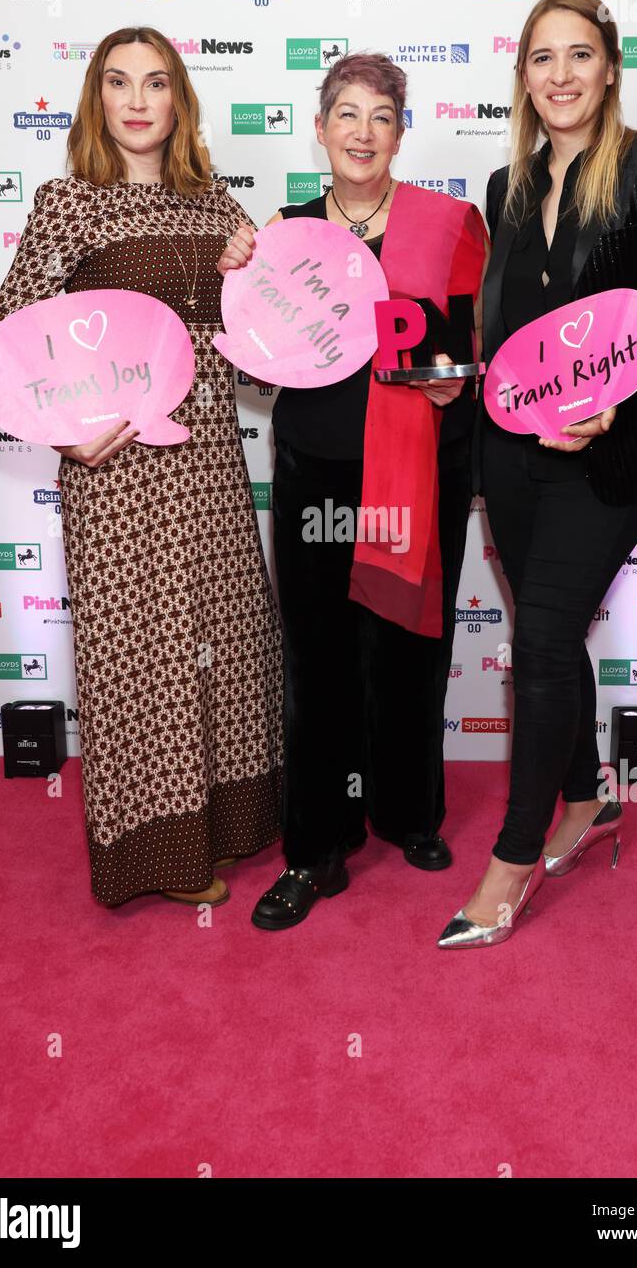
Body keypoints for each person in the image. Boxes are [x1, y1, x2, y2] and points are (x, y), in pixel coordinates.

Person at [437, 0, 637, 949]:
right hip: (512, 454)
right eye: (539, 58)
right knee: (545, 632)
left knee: (545, 640)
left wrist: (626, 389)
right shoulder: (504, 186)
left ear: (608, 66)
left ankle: (511, 862)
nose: (559, 75)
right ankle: (584, 798)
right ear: (522, 76)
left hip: (611, 455)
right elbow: (512, 334)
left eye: (577, 55)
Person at [0, 26, 283, 908]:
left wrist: (247, 276)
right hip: (118, 479)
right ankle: (162, 859)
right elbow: (2, 343)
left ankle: (232, 828)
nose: (139, 100)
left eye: (157, 83)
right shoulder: (69, 203)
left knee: (225, 649)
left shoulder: (221, 206)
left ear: (180, 100)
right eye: (120, 83)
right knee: (139, 661)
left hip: (213, 468)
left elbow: (266, 363)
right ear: (96, 99)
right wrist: (61, 437)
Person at [218, 52, 489, 930]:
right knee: (319, 657)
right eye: (346, 113)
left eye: (380, 116)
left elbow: (471, 348)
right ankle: (315, 845)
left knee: (409, 644)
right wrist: (236, 282)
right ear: (321, 128)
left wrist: (457, 379)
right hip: (316, 470)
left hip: (416, 467)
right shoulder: (282, 234)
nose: (363, 131)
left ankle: (409, 813)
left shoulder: (446, 226)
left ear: (401, 133)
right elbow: (261, 367)